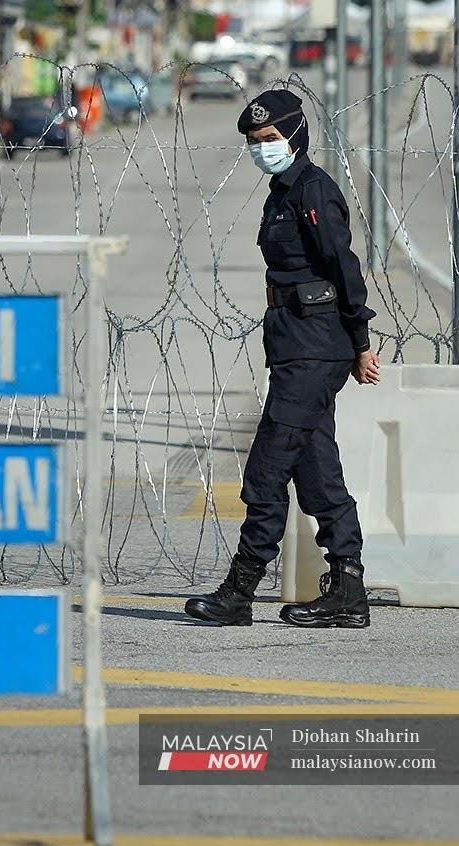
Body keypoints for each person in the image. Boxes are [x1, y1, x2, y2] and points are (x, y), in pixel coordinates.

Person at [185, 90, 380, 629]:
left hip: (316, 345)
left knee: (267, 468)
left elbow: (343, 266)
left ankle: (239, 591)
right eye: (253, 141)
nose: (260, 148)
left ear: (295, 135)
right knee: (317, 470)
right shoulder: (281, 193)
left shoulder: (313, 190)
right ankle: (348, 591)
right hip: (295, 345)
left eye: (269, 138)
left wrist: (360, 340)